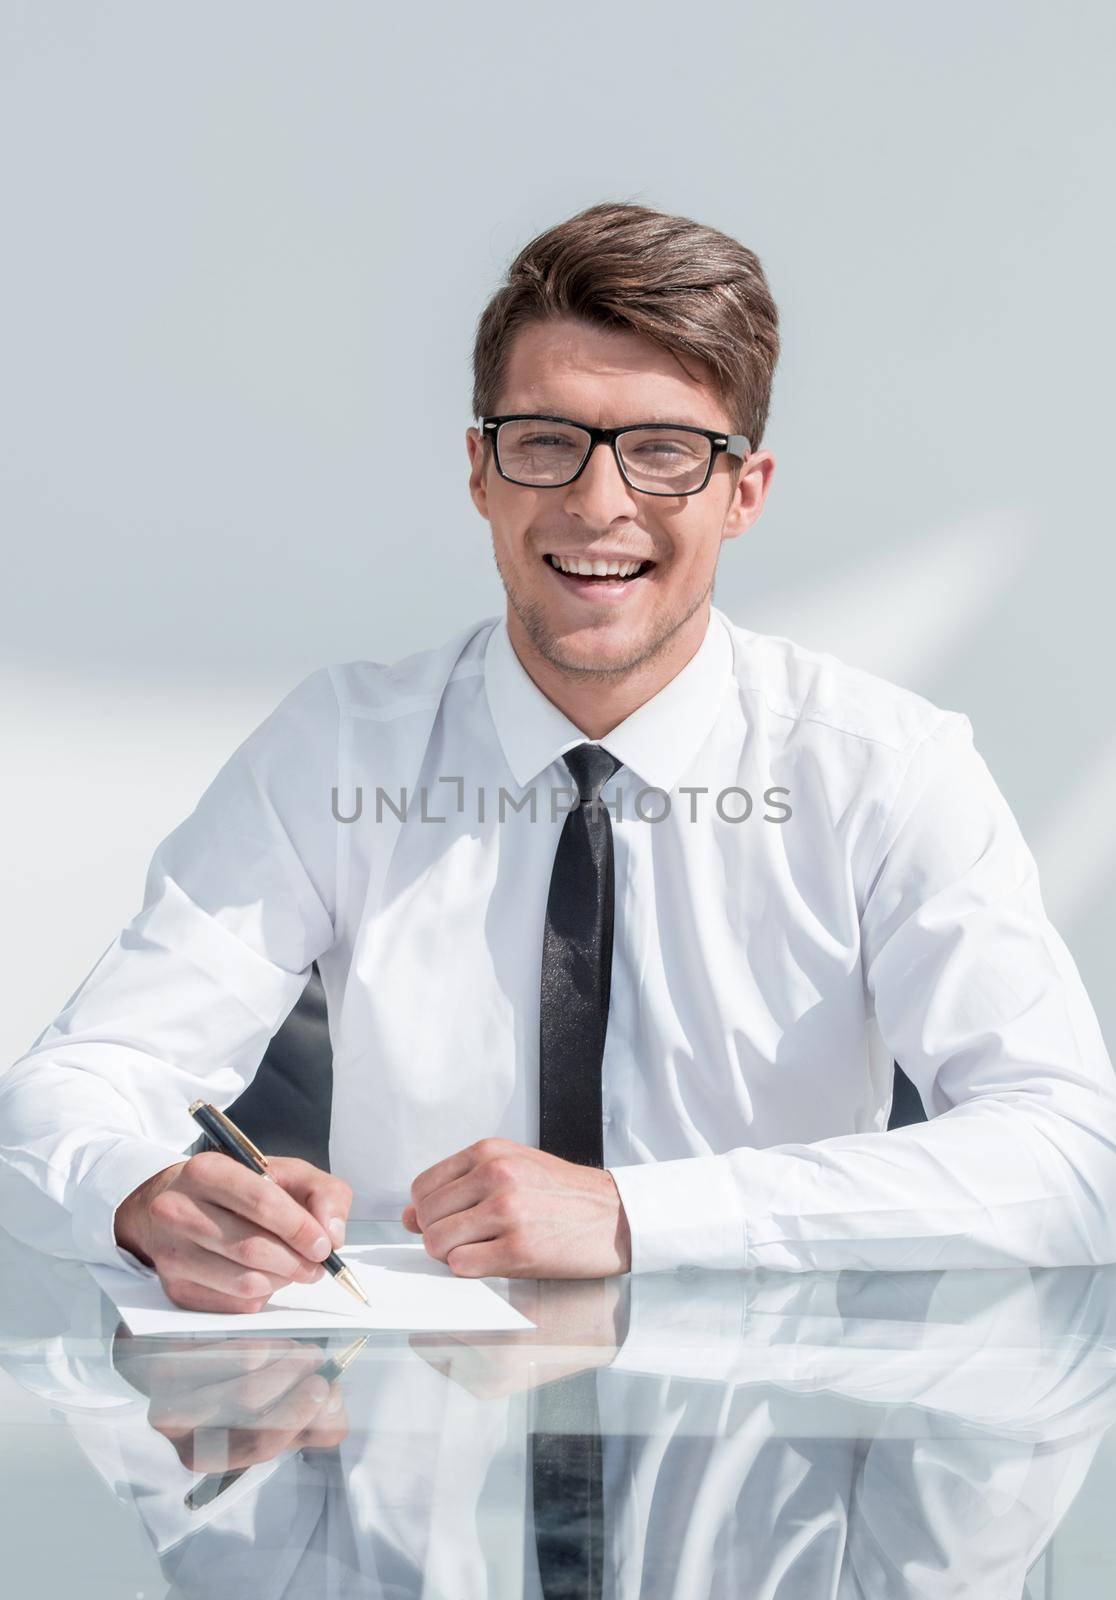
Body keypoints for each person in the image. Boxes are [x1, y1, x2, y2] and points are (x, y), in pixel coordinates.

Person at [2, 200, 1114, 1314]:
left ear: (745, 494)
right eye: (546, 443)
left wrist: (640, 1216)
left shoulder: (886, 769)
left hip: (771, 1448)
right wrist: (142, 1193)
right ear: (481, 472)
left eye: (667, 452)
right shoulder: (335, 748)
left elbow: (1075, 1160)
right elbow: (71, 1086)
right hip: (408, 1434)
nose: (598, 503)